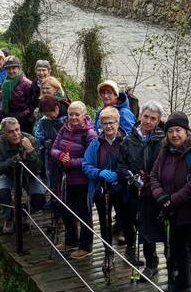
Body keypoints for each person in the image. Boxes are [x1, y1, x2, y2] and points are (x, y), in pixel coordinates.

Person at [150, 111, 191, 292]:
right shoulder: (165, 150)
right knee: (178, 249)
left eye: (178, 130)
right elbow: (154, 176)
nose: (175, 135)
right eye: (171, 131)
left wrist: (171, 201)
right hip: (173, 212)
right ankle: (183, 284)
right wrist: (160, 197)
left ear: (187, 131)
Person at [83, 107, 143, 269]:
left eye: (111, 122)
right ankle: (108, 254)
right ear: (100, 125)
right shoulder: (96, 144)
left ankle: (130, 251)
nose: (108, 126)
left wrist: (120, 175)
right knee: (105, 222)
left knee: (128, 220)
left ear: (118, 123)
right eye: (105, 123)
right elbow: (86, 165)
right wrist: (100, 172)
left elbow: (134, 165)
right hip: (103, 190)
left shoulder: (127, 141)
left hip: (124, 189)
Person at [117, 101, 166, 279]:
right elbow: (121, 166)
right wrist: (131, 176)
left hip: (155, 190)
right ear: (140, 116)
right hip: (134, 188)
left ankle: (153, 264)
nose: (148, 121)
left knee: (151, 227)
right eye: (146, 117)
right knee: (138, 224)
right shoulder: (128, 140)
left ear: (159, 120)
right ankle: (142, 257)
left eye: (153, 119)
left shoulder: (162, 141)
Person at [50, 101, 97, 259]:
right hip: (67, 178)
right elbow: (54, 148)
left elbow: (90, 159)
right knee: (66, 210)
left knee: (84, 213)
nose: (74, 117)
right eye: (71, 114)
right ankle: (71, 241)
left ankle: (86, 246)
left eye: (77, 114)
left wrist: (71, 162)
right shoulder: (64, 128)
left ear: (84, 115)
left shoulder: (90, 134)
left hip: (83, 180)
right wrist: (61, 156)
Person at [0, 117, 45, 233]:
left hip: (29, 174)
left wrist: (30, 150)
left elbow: (37, 168)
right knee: (2, 195)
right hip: (8, 174)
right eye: (11, 132)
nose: (15, 134)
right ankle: (9, 218)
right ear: (4, 133)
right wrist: (13, 161)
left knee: (40, 199)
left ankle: (22, 212)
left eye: (17, 130)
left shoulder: (31, 140)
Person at [34, 96, 66, 189]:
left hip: (65, 152)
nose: (48, 117)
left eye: (49, 114)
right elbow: (38, 133)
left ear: (56, 108)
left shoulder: (68, 118)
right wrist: (44, 141)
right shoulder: (44, 120)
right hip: (50, 153)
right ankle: (53, 198)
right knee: (51, 177)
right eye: (46, 115)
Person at [1, 56, 35, 134]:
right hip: (10, 116)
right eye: (8, 69)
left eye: (14, 68)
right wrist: (1, 110)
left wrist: (20, 116)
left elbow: (32, 105)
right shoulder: (6, 82)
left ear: (18, 68)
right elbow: (3, 99)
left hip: (24, 120)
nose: (11, 71)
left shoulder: (27, 84)